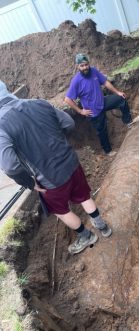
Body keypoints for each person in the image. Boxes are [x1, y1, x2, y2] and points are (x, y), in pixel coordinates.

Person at [0, 80, 112, 255]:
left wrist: (30, 184)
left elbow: (10, 166)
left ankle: (87, 237)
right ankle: (102, 226)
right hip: (71, 162)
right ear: (7, 91)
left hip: (49, 179)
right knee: (83, 196)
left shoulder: (1, 125)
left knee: (60, 210)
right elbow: (68, 123)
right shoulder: (38, 102)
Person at [64, 54, 139, 156]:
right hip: (93, 111)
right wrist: (80, 111)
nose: (85, 67)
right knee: (102, 131)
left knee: (121, 100)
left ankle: (128, 122)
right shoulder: (76, 81)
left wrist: (117, 92)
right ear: (78, 66)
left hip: (103, 102)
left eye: (86, 65)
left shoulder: (94, 71)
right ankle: (108, 151)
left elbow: (105, 82)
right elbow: (67, 99)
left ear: (89, 63)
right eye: (82, 66)